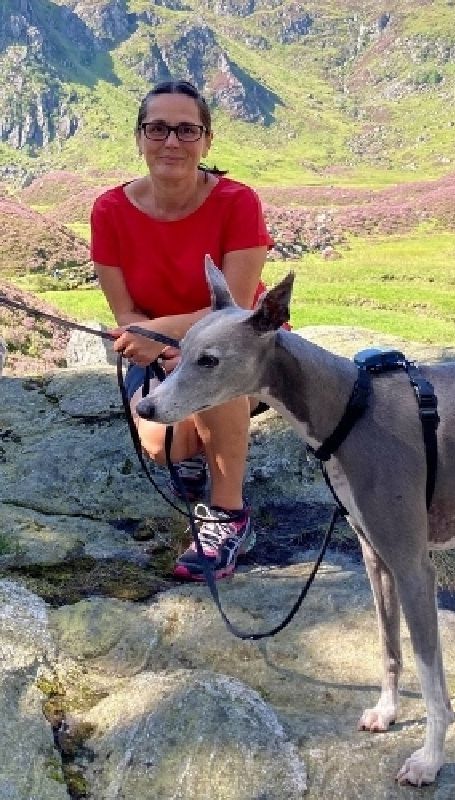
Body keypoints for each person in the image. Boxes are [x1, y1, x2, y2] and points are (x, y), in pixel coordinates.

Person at [90, 79, 274, 581]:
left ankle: (226, 515)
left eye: (186, 130)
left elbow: (235, 312)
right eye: (158, 129)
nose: (171, 141)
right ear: (140, 137)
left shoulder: (238, 202)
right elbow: (125, 313)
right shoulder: (110, 210)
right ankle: (200, 441)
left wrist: (174, 337)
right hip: (154, 351)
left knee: (217, 374)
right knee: (161, 445)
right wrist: (156, 343)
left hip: (238, 347)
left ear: (207, 141)